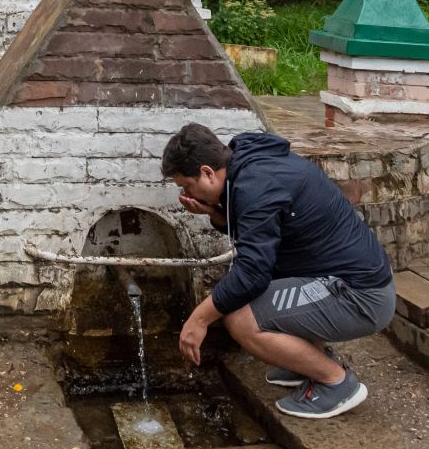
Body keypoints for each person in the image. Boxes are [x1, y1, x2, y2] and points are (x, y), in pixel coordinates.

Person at [161, 122, 395, 419]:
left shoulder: (255, 186)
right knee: (253, 291)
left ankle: (335, 382)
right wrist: (214, 213)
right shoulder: (247, 161)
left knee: (240, 318)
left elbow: (252, 273)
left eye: (186, 186)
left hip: (360, 296)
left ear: (207, 172)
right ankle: (304, 360)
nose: (186, 193)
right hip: (340, 279)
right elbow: (259, 232)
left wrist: (199, 319)